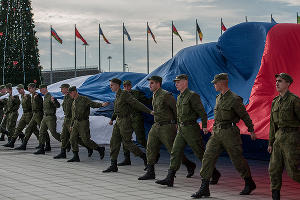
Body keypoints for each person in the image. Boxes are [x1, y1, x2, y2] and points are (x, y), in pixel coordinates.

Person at [191, 73, 257, 198]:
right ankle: (204, 187)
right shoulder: (218, 98)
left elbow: (244, 116)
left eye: (215, 83)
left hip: (230, 133)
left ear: (222, 82)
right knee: (208, 157)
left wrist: (251, 130)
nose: (214, 85)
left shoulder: (234, 99)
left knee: (237, 159)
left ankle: (249, 182)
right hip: (217, 133)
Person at [156, 74, 221, 187]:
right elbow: (179, 114)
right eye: (175, 82)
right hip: (181, 129)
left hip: (191, 129)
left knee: (200, 153)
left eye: (178, 82)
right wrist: (177, 124)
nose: (176, 84)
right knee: (175, 152)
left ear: (185, 82)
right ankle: (170, 178)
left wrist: (205, 125)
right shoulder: (179, 97)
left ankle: (214, 173)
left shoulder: (192, 96)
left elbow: (202, 112)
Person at [138, 76, 196, 180]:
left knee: (173, 150)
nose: (149, 85)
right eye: (149, 83)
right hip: (156, 125)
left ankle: (189, 164)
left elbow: (176, 110)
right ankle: (150, 172)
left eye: (151, 83)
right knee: (150, 147)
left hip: (167, 126)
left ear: (158, 84)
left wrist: (177, 124)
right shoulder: (154, 95)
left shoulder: (166, 95)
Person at [103, 78, 153, 173]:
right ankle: (113, 165)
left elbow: (136, 103)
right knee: (114, 141)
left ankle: (144, 157)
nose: (110, 87)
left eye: (112, 85)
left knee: (127, 143)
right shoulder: (117, 95)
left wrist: (149, 111)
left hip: (126, 121)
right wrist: (112, 119)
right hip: (118, 120)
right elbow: (117, 109)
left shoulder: (124, 94)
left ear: (117, 85)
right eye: (110, 85)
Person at [268, 73, 300, 200]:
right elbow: (272, 124)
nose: (277, 83)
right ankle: (275, 197)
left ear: (288, 83)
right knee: (274, 169)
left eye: (280, 81)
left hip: (292, 137)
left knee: (293, 172)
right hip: (278, 137)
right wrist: (270, 142)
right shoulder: (275, 102)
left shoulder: (294, 100)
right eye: (276, 81)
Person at [67, 86, 109, 162]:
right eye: (69, 93)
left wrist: (101, 105)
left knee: (86, 140)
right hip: (76, 122)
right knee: (72, 138)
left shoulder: (84, 99)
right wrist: (71, 125)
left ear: (75, 91)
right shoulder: (73, 101)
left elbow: (92, 104)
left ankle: (99, 149)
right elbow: (73, 115)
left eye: (71, 92)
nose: (70, 94)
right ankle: (76, 156)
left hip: (83, 122)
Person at [53, 84, 93, 159]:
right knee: (64, 136)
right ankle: (63, 152)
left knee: (75, 138)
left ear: (67, 89)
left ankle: (89, 147)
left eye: (62, 89)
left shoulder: (72, 97)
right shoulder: (65, 97)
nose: (61, 90)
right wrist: (55, 101)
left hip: (72, 119)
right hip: (66, 119)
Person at [118, 80, 149, 166]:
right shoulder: (121, 95)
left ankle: (153, 153)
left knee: (140, 139)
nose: (127, 87)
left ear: (131, 86)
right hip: (127, 119)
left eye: (128, 85)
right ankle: (127, 159)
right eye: (125, 86)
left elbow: (146, 101)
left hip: (136, 118)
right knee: (125, 139)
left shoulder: (137, 93)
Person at [15, 83, 45, 150]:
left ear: (33, 88)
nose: (28, 89)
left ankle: (45, 145)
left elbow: (40, 105)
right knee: (28, 129)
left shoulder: (37, 95)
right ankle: (24, 145)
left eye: (30, 88)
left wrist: (36, 99)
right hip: (34, 114)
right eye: (28, 88)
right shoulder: (32, 95)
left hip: (38, 114)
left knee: (42, 130)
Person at [34, 84, 61, 155]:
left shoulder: (50, 96)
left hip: (51, 117)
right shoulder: (45, 97)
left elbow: (57, 105)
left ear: (46, 88)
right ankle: (42, 148)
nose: (41, 90)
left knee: (54, 133)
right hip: (45, 117)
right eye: (40, 89)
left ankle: (66, 142)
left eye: (42, 89)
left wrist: (54, 101)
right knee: (42, 132)